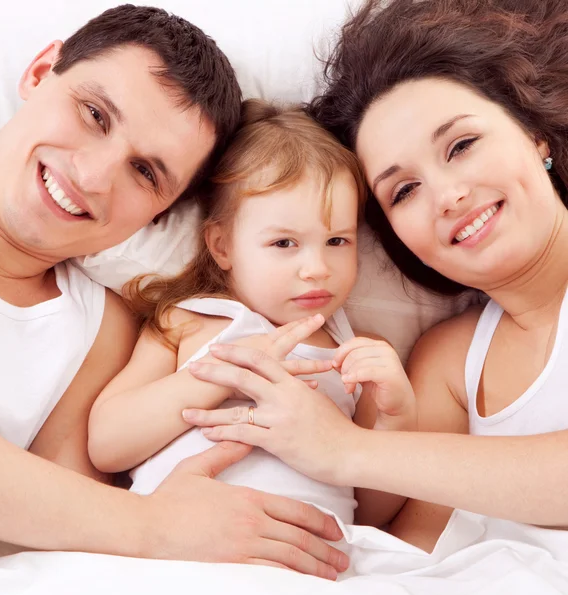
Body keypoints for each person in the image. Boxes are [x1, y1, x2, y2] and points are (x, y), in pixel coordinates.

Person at [0, 5, 349, 576]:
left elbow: (60, 528)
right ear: (42, 70)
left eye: (145, 173)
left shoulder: (103, 329)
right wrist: (149, 525)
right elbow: (104, 519)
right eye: (95, 114)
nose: (93, 176)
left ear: (160, 214)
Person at [182, 0, 568, 551]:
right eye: (404, 191)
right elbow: (415, 559)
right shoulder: (448, 365)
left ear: (535, 135)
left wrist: (342, 447)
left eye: (461, 146)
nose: (449, 196)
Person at [87, 101, 416, 554]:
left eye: (338, 240)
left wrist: (395, 420)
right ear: (223, 246)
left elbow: (370, 510)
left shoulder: (355, 353)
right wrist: (223, 377)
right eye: (285, 243)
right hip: (185, 549)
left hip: (307, 564)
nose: (317, 268)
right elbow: (107, 444)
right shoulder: (191, 321)